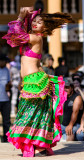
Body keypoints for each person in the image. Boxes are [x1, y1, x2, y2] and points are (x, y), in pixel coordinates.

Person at [2, 7, 74, 157]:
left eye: (39, 22)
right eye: (34, 20)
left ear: (44, 27)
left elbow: (15, 34)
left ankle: (35, 146)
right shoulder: (32, 37)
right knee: (34, 114)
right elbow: (17, 38)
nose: (35, 23)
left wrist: (21, 17)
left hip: (34, 82)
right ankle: (39, 145)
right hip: (32, 81)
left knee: (29, 114)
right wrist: (24, 18)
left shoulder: (36, 38)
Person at [0, 54, 11, 142]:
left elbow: (8, 82)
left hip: (6, 99)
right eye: (2, 61)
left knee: (6, 121)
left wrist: (9, 86)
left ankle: (6, 138)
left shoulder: (7, 70)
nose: (3, 63)